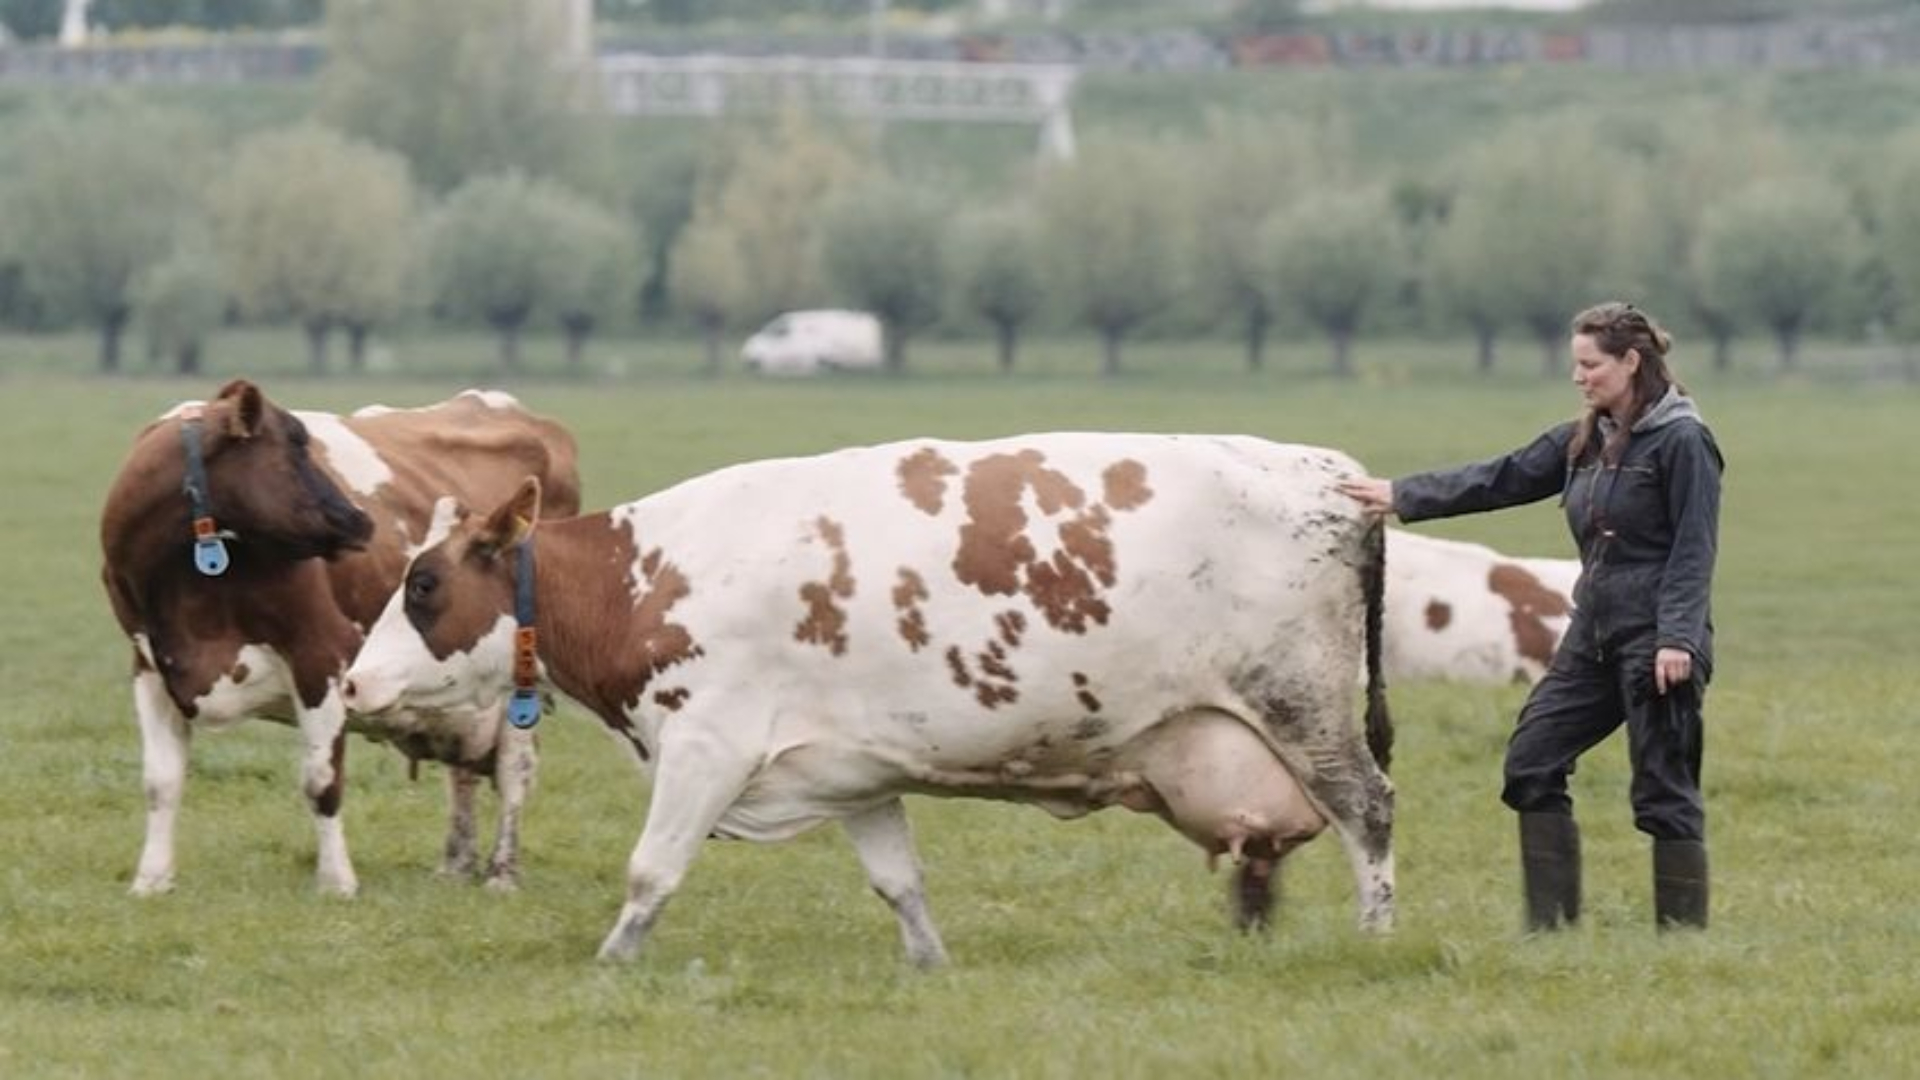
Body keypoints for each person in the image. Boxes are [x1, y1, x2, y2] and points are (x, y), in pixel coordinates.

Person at [1337, 301, 1723, 932]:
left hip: (1658, 638)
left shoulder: (1683, 441)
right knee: (1531, 762)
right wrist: (1403, 495)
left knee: (1664, 789)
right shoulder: (1583, 439)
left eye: (1590, 364)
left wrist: (1677, 637)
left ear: (1631, 361)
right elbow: (1501, 478)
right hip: (1593, 633)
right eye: (1575, 364)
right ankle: (1553, 933)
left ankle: (1681, 940)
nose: (1579, 377)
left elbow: (1694, 546)